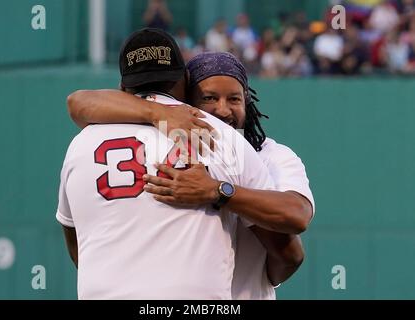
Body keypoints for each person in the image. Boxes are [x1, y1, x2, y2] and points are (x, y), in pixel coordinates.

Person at [67, 52, 314, 299]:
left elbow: (296, 218)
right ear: (185, 101)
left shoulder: (270, 154)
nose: (222, 109)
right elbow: (79, 101)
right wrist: (158, 113)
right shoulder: (161, 142)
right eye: (209, 98)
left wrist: (218, 191)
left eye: (234, 99)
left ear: (247, 102)